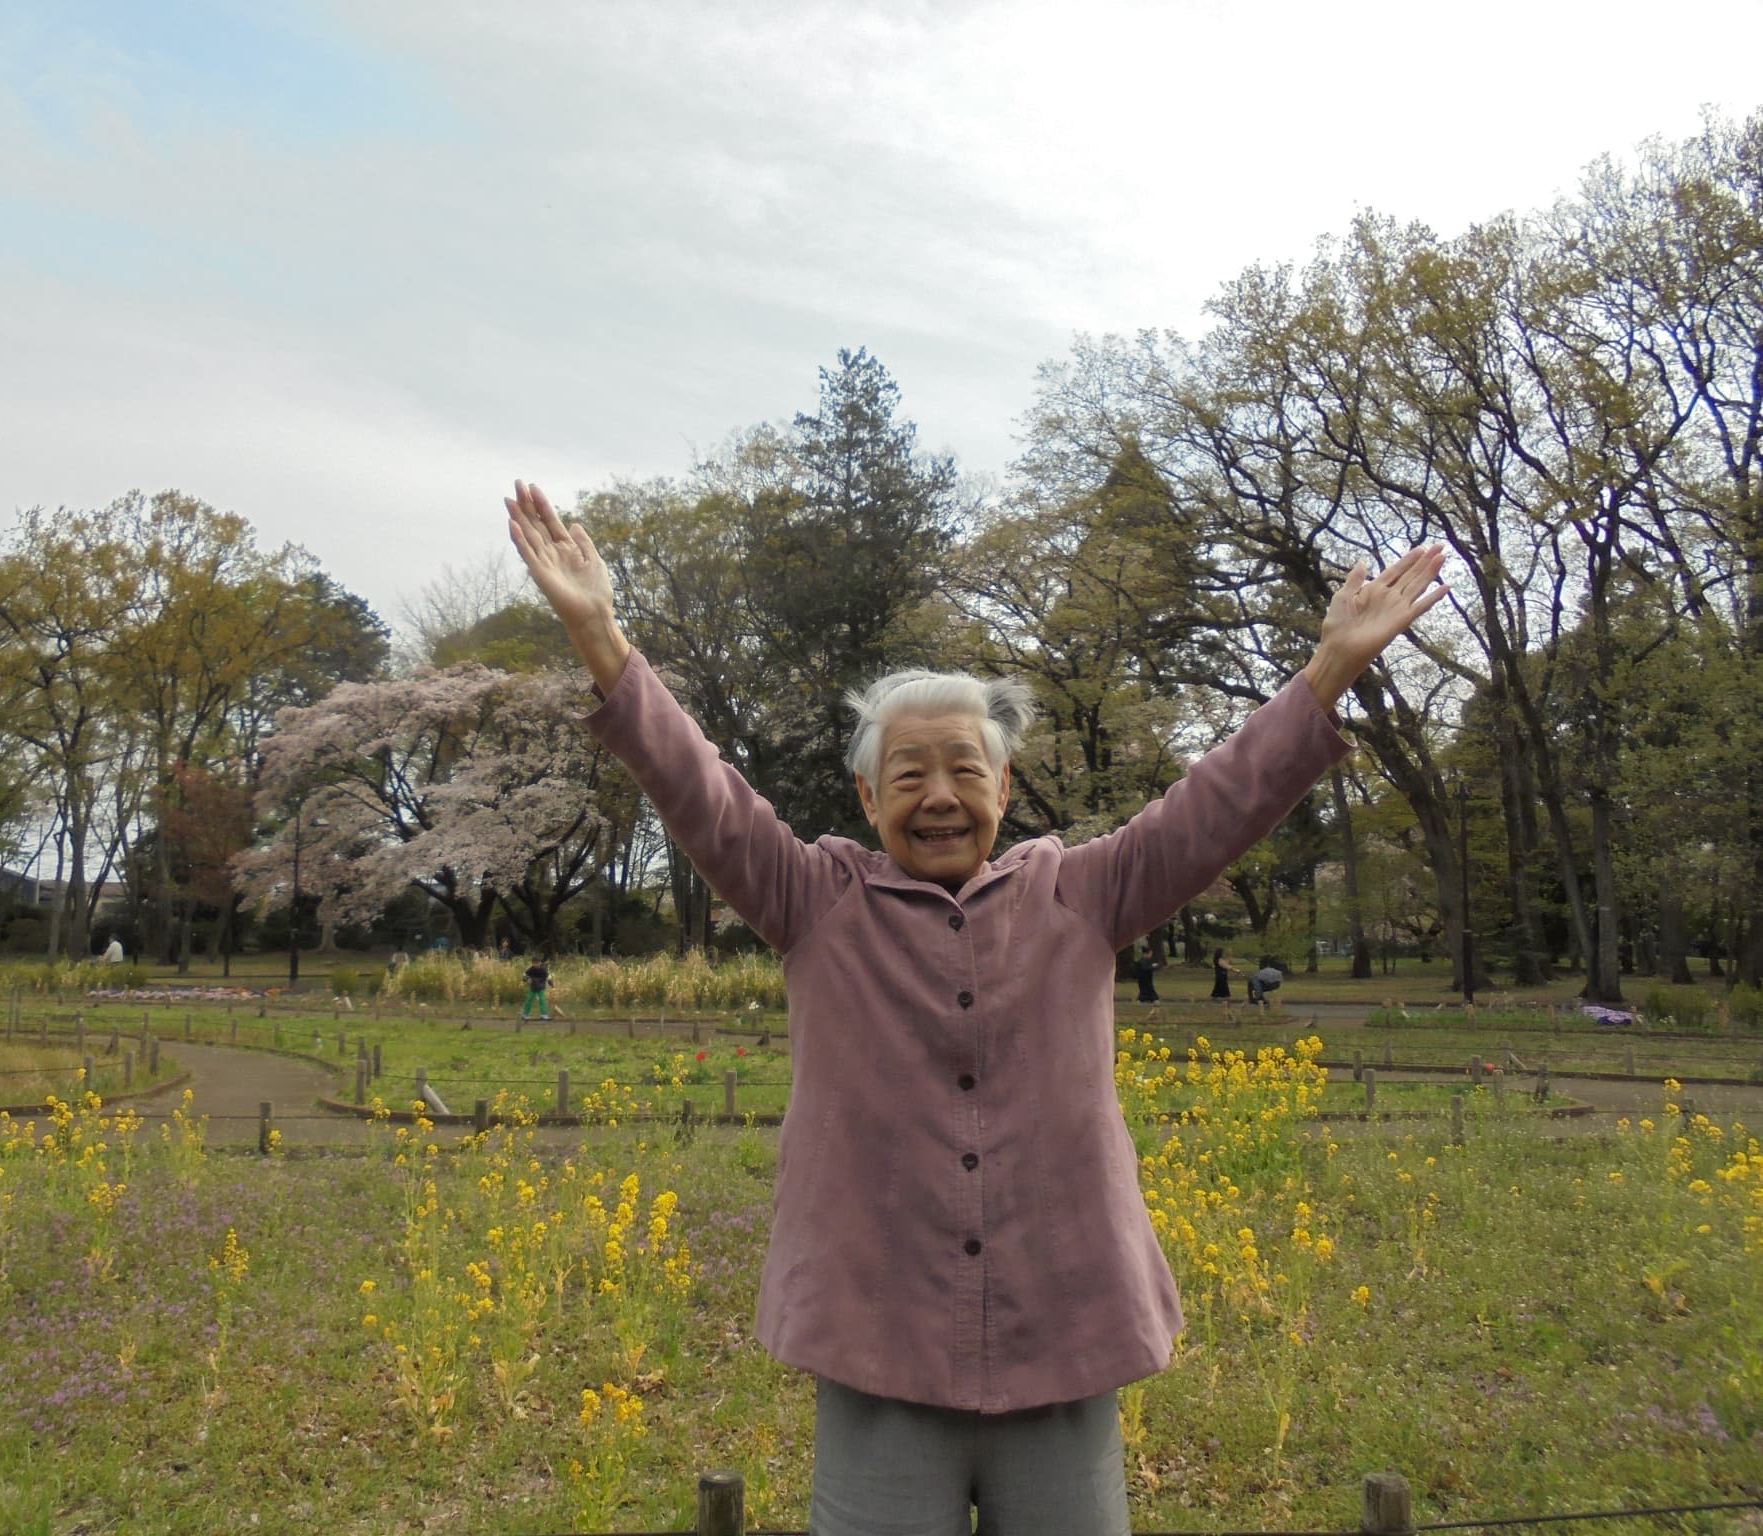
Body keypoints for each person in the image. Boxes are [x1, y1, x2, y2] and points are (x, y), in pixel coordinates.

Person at [503, 479, 1450, 1534]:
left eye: (965, 768)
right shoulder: (813, 898)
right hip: (878, 1342)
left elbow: (1214, 805)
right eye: (908, 773)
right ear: (867, 799)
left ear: (1005, 787)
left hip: (1063, 1331)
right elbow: (699, 790)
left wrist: (1328, 672)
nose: (939, 795)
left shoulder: (1082, 892)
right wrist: (600, 636)